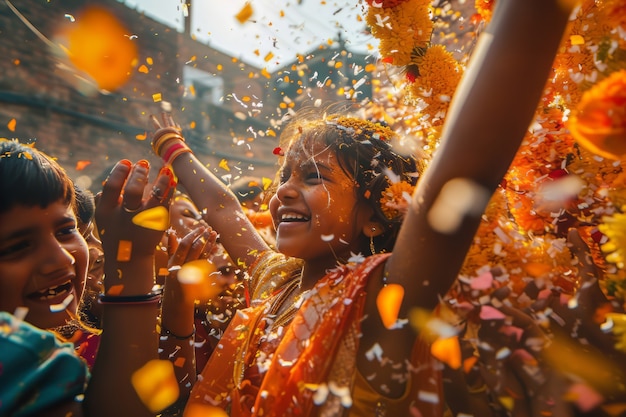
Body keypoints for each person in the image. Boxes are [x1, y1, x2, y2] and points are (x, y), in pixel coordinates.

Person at [147, 1, 577, 416]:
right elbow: (224, 209)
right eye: (285, 177)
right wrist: (171, 146)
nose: (286, 192)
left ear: (374, 217)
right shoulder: (275, 284)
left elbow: (467, 169)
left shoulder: (380, 301)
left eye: (314, 177)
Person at [0, 138, 202, 416]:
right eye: (17, 247)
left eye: (65, 231)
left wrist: (135, 261)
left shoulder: (89, 347)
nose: (63, 259)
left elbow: (171, 405)